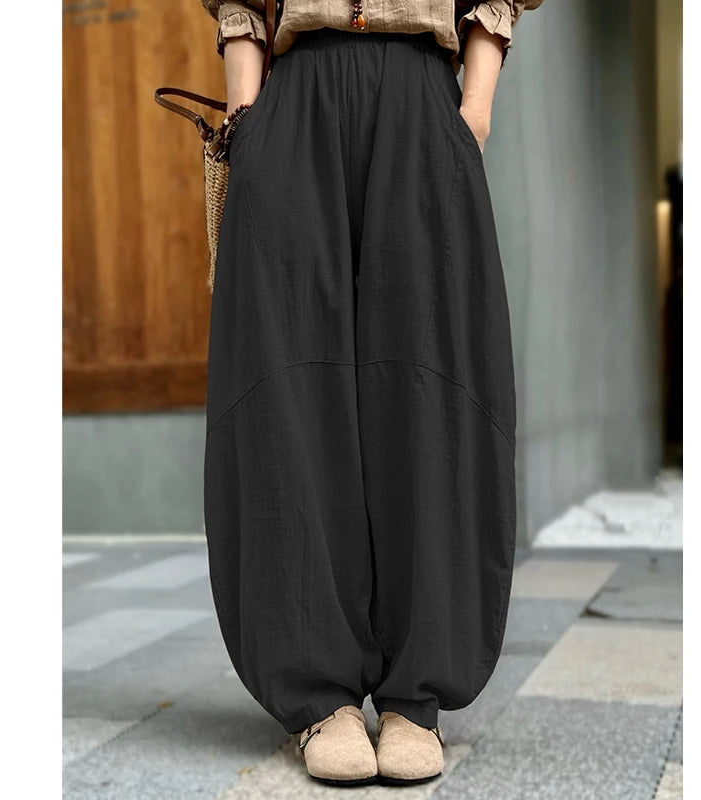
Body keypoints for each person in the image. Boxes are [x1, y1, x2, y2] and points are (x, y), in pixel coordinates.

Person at [199, 0, 542, 786]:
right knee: (287, 394)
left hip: (423, 95)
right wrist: (247, 112)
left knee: (433, 389)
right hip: (293, 94)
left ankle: (417, 696)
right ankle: (319, 694)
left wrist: (474, 108)